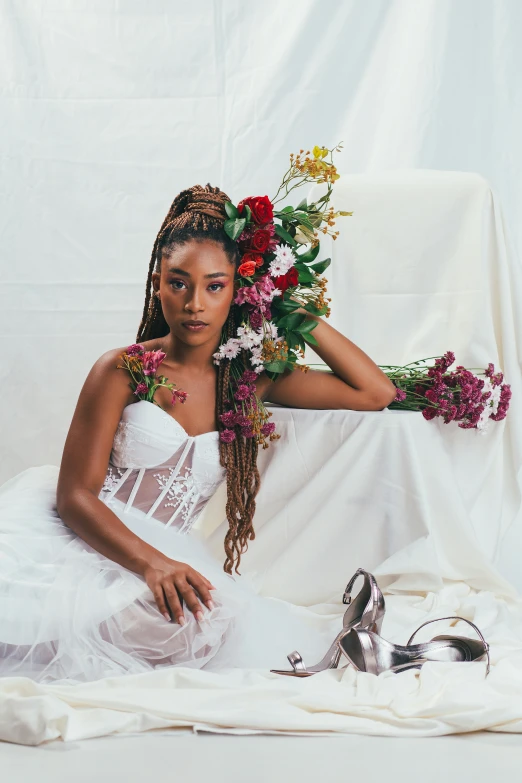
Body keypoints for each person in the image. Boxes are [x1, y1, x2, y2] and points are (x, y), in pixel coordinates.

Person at [0, 183, 397, 683]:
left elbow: (374, 391)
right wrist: (152, 564)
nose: (194, 303)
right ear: (158, 283)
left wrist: (289, 309)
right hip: (87, 540)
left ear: (237, 290)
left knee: (207, 628)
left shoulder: (251, 377)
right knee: (44, 618)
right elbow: (76, 495)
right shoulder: (124, 369)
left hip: (167, 557)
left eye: (215, 286)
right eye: (179, 283)